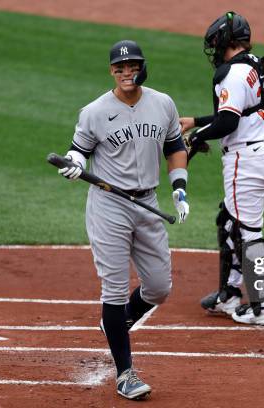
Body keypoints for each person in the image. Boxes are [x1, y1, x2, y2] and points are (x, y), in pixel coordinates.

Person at [58, 40, 190, 399]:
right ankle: (125, 373)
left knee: (160, 287)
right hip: (109, 206)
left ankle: (117, 322)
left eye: (132, 66)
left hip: (148, 204)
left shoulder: (162, 103)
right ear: (111, 71)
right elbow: (79, 150)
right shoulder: (95, 111)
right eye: (119, 67)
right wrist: (75, 164)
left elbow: (175, 146)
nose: (126, 72)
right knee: (113, 288)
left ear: (143, 67)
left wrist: (179, 188)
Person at [180, 11, 264, 326]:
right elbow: (245, 111)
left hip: (246, 159)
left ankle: (263, 309)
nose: (215, 51)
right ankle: (229, 293)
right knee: (229, 221)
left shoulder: (233, 74)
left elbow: (229, 121)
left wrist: (194, 139)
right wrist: (196, 122)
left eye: (216, 44)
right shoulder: (259, 68)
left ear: (225, 41)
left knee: (249, 233)